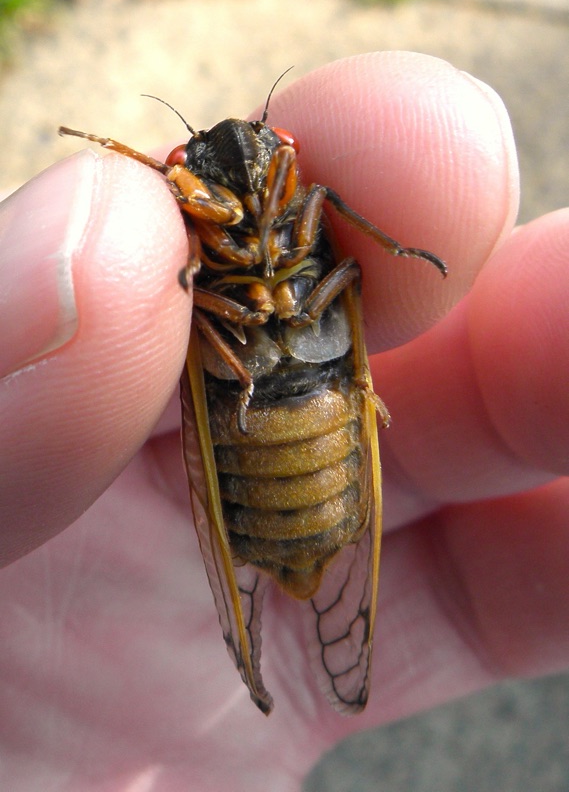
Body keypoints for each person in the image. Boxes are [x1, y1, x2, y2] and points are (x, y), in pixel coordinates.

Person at [0, 52, 567, 791]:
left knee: (345, 270)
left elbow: (348, 269)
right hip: (253, 416)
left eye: (275, 156)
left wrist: (387, 253)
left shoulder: (309, 205)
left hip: (316, 400)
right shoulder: (196, 239)